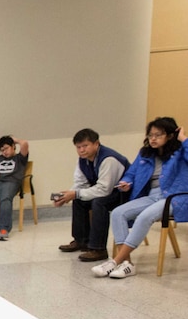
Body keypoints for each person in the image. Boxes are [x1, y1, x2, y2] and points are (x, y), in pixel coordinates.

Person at [91, 119, 188, 278]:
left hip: (173, 197)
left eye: (158, 135)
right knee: (117, 213)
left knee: (144, 216)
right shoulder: (146, 153)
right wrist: (127, 182)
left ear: (170, 135)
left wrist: (183, 138)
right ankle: (127, 264)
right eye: (150, 135)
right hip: (152, 196)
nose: (153, 139)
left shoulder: (180, 152)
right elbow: (132, 172)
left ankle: (115, 261)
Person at [54, 128, 130, 262]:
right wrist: (65, 196)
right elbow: (80, 183)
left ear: (96, 144)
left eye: (85, 146)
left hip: (123, 194)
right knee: (79, 200)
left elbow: (104, 189)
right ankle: (81, 241)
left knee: (99, 203)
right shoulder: (82, 160)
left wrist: (75, 193)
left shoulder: (109, 159)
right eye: (78, 147)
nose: (81, 150)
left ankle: (98, 249)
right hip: (105, 191)